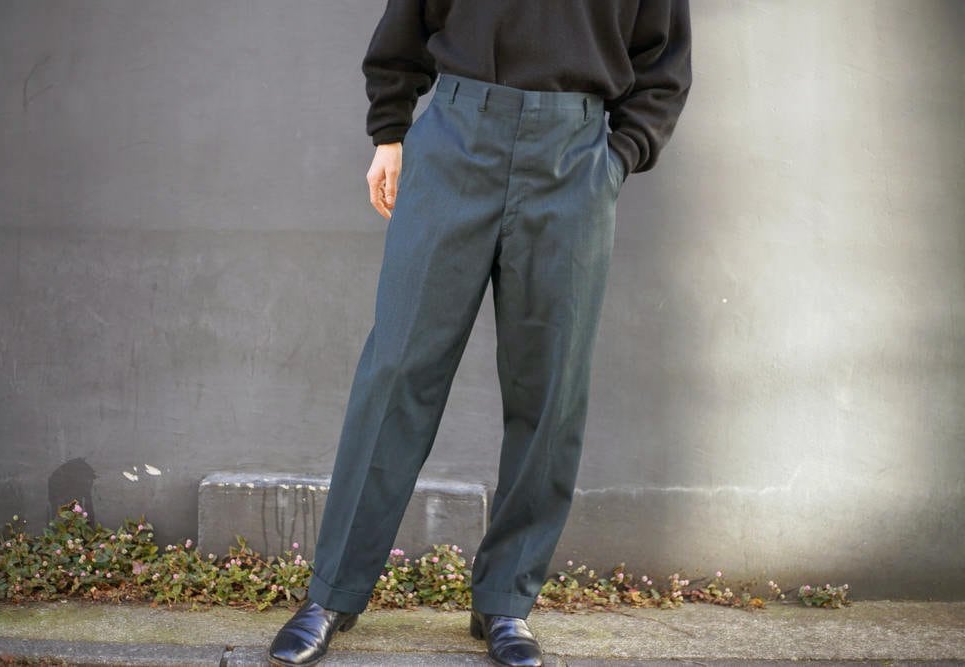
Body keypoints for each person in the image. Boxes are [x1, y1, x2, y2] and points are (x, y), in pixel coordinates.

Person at [268, 1, 691, 665]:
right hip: (457, 139)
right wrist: (389, 132)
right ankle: (331, 594)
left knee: (550, 389)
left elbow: (663, 62)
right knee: (398, 369)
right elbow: (407, 21)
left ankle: (506, 600)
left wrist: (617, 158)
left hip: (574, 159)